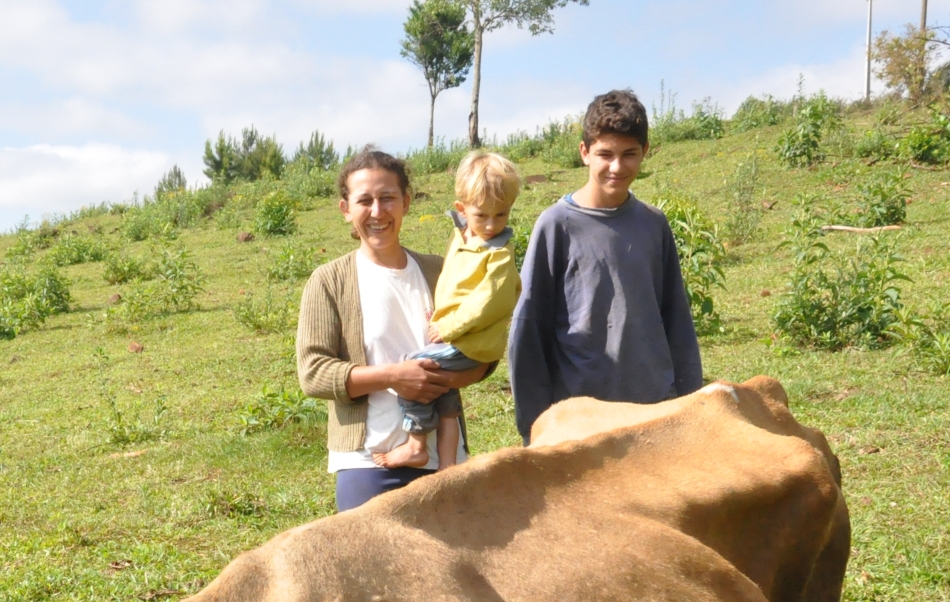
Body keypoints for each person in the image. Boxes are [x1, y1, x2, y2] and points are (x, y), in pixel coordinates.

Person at [296, 149, 491, 513]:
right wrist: (394, 377)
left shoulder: (440, 271)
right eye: (364, 201)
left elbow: (484, 353)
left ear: (406, 202)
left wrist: (437, 380)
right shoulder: (329, 281)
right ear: (345, 209)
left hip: (444, 461)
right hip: (368, 462)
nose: (377, 212)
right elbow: (313, 373)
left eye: (387, 198)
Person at [506, 89, 703, 443]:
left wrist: (689, 405)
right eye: (605, 154)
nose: (617, 167)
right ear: (584, 152)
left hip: (654, 410)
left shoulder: (653, 224)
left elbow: (677, 321)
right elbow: (528, 332)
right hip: (581, 420)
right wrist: (535, 428)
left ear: (645, 151)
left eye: (629, 154)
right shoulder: (556, 225)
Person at [378, 150, 522, 472]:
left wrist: (449, 326)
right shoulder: (461, 237)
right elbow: (454, 283)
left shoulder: (499, 253)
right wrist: (441, 313)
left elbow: (489, 302)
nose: (491, 224)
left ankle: (416, 443)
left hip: (471, 342)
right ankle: (447, 464)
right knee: (446, 396)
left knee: (413, 366)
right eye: (482, 215)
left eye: (501, 215)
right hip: (461, 336)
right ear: (462, 209)